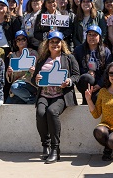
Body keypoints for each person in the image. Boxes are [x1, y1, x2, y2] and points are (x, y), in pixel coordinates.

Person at [31, 31, 80, 164]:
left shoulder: (69, 58)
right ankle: (45, 145)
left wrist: (69, 81)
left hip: (61, 95)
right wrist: (36, 78)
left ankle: (55, 149)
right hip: (44, 94)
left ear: (62, 43)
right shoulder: (42, 60)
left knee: (52, 112)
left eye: (57, 42)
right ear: (48, 44)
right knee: (41, 113)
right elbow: (33, 78)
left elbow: (77, 76)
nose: (55, 44)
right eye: (52, 42)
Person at [74, 25, 112, 105]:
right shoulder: (78, 50)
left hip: (100, 83)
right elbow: (75, 69)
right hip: (84, 82)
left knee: (96, 98)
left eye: (95, 35)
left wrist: (99, 84)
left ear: (100, 37)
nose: (91, 37)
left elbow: (108, 71)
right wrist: (86, 71)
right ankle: (85, 98)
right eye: (89, 34)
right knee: (87, 78)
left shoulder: (106, 51)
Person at [6, 30, 38, 104]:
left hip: (30, 83)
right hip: (16, 86)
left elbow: (39, 71)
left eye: (23, 39)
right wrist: (9, 73)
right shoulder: (13, 56)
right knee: (8, 103)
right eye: (18, 39)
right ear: (16, 42)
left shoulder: (33, 53)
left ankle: (32, 100)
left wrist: (34, 71)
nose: (21, 41)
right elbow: (10, 76)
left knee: (14, 88)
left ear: (27, 41)